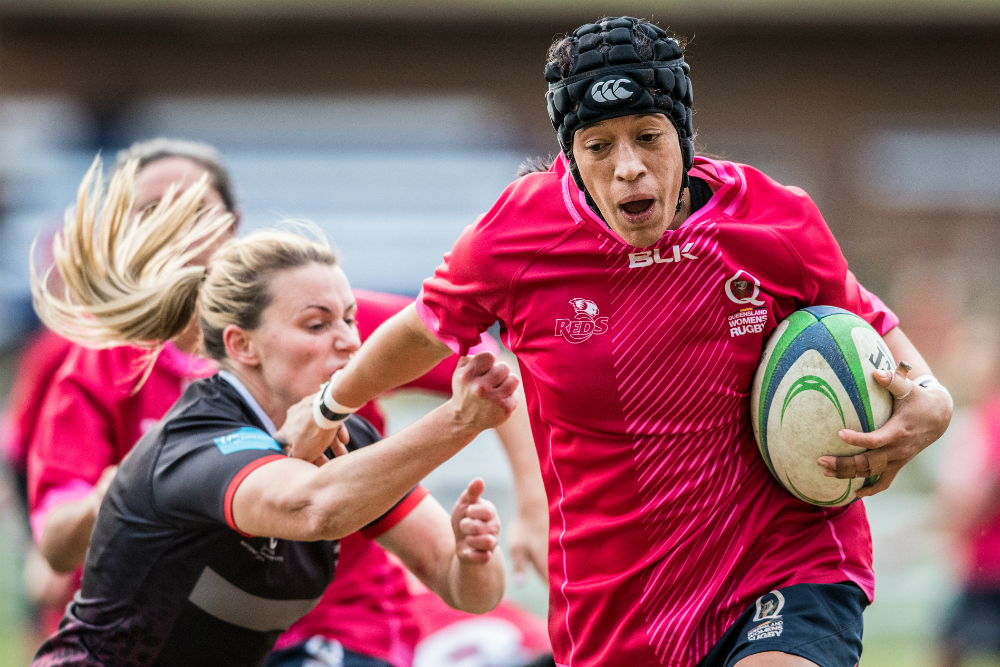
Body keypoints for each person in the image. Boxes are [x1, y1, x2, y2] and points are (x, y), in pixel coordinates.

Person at [304, 17, 955, 667]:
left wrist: (930, 398)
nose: (629, 169)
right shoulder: (517, 237)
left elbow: (872, 327)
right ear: (571, 154)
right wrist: (327, 407)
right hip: (616, 608)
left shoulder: (772, 221)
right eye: (599, 146)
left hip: (783, 563)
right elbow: (423, 330)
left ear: (684, 136)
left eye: (649, 138)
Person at [23, 137, 547, 666]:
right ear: (240, 345)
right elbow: (315, 505)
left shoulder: (326, 363)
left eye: (346, 319)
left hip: (339, 625)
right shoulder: (194, 430)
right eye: (319, 325)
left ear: (234, 222)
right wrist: (459, 420)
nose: (349, 340)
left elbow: (464, 583)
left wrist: (483, 545)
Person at [938, 390, 1000, 667]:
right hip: (985, 562)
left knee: (951, 644)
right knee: (951, 642)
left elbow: (991, 483)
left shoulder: (990, 416)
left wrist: (962, 525)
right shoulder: (986, 414)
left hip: (989, 564)